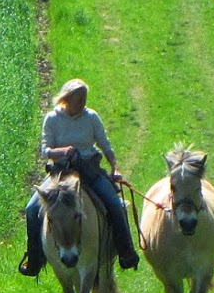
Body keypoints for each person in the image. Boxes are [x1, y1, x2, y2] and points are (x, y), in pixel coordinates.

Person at [20, 78, 139, 276]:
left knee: (116, 205)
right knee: (32, 209)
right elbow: (45, 150)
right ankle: (35, 258)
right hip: (60, 174)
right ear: (67, 99)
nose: (83, 103)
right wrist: (62, 152)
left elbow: (105, 145)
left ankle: (126, 251)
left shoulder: (91, 117)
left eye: (84, 99)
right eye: (79, 100)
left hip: (89, 171)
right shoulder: (52, 119)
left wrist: (114, 168)